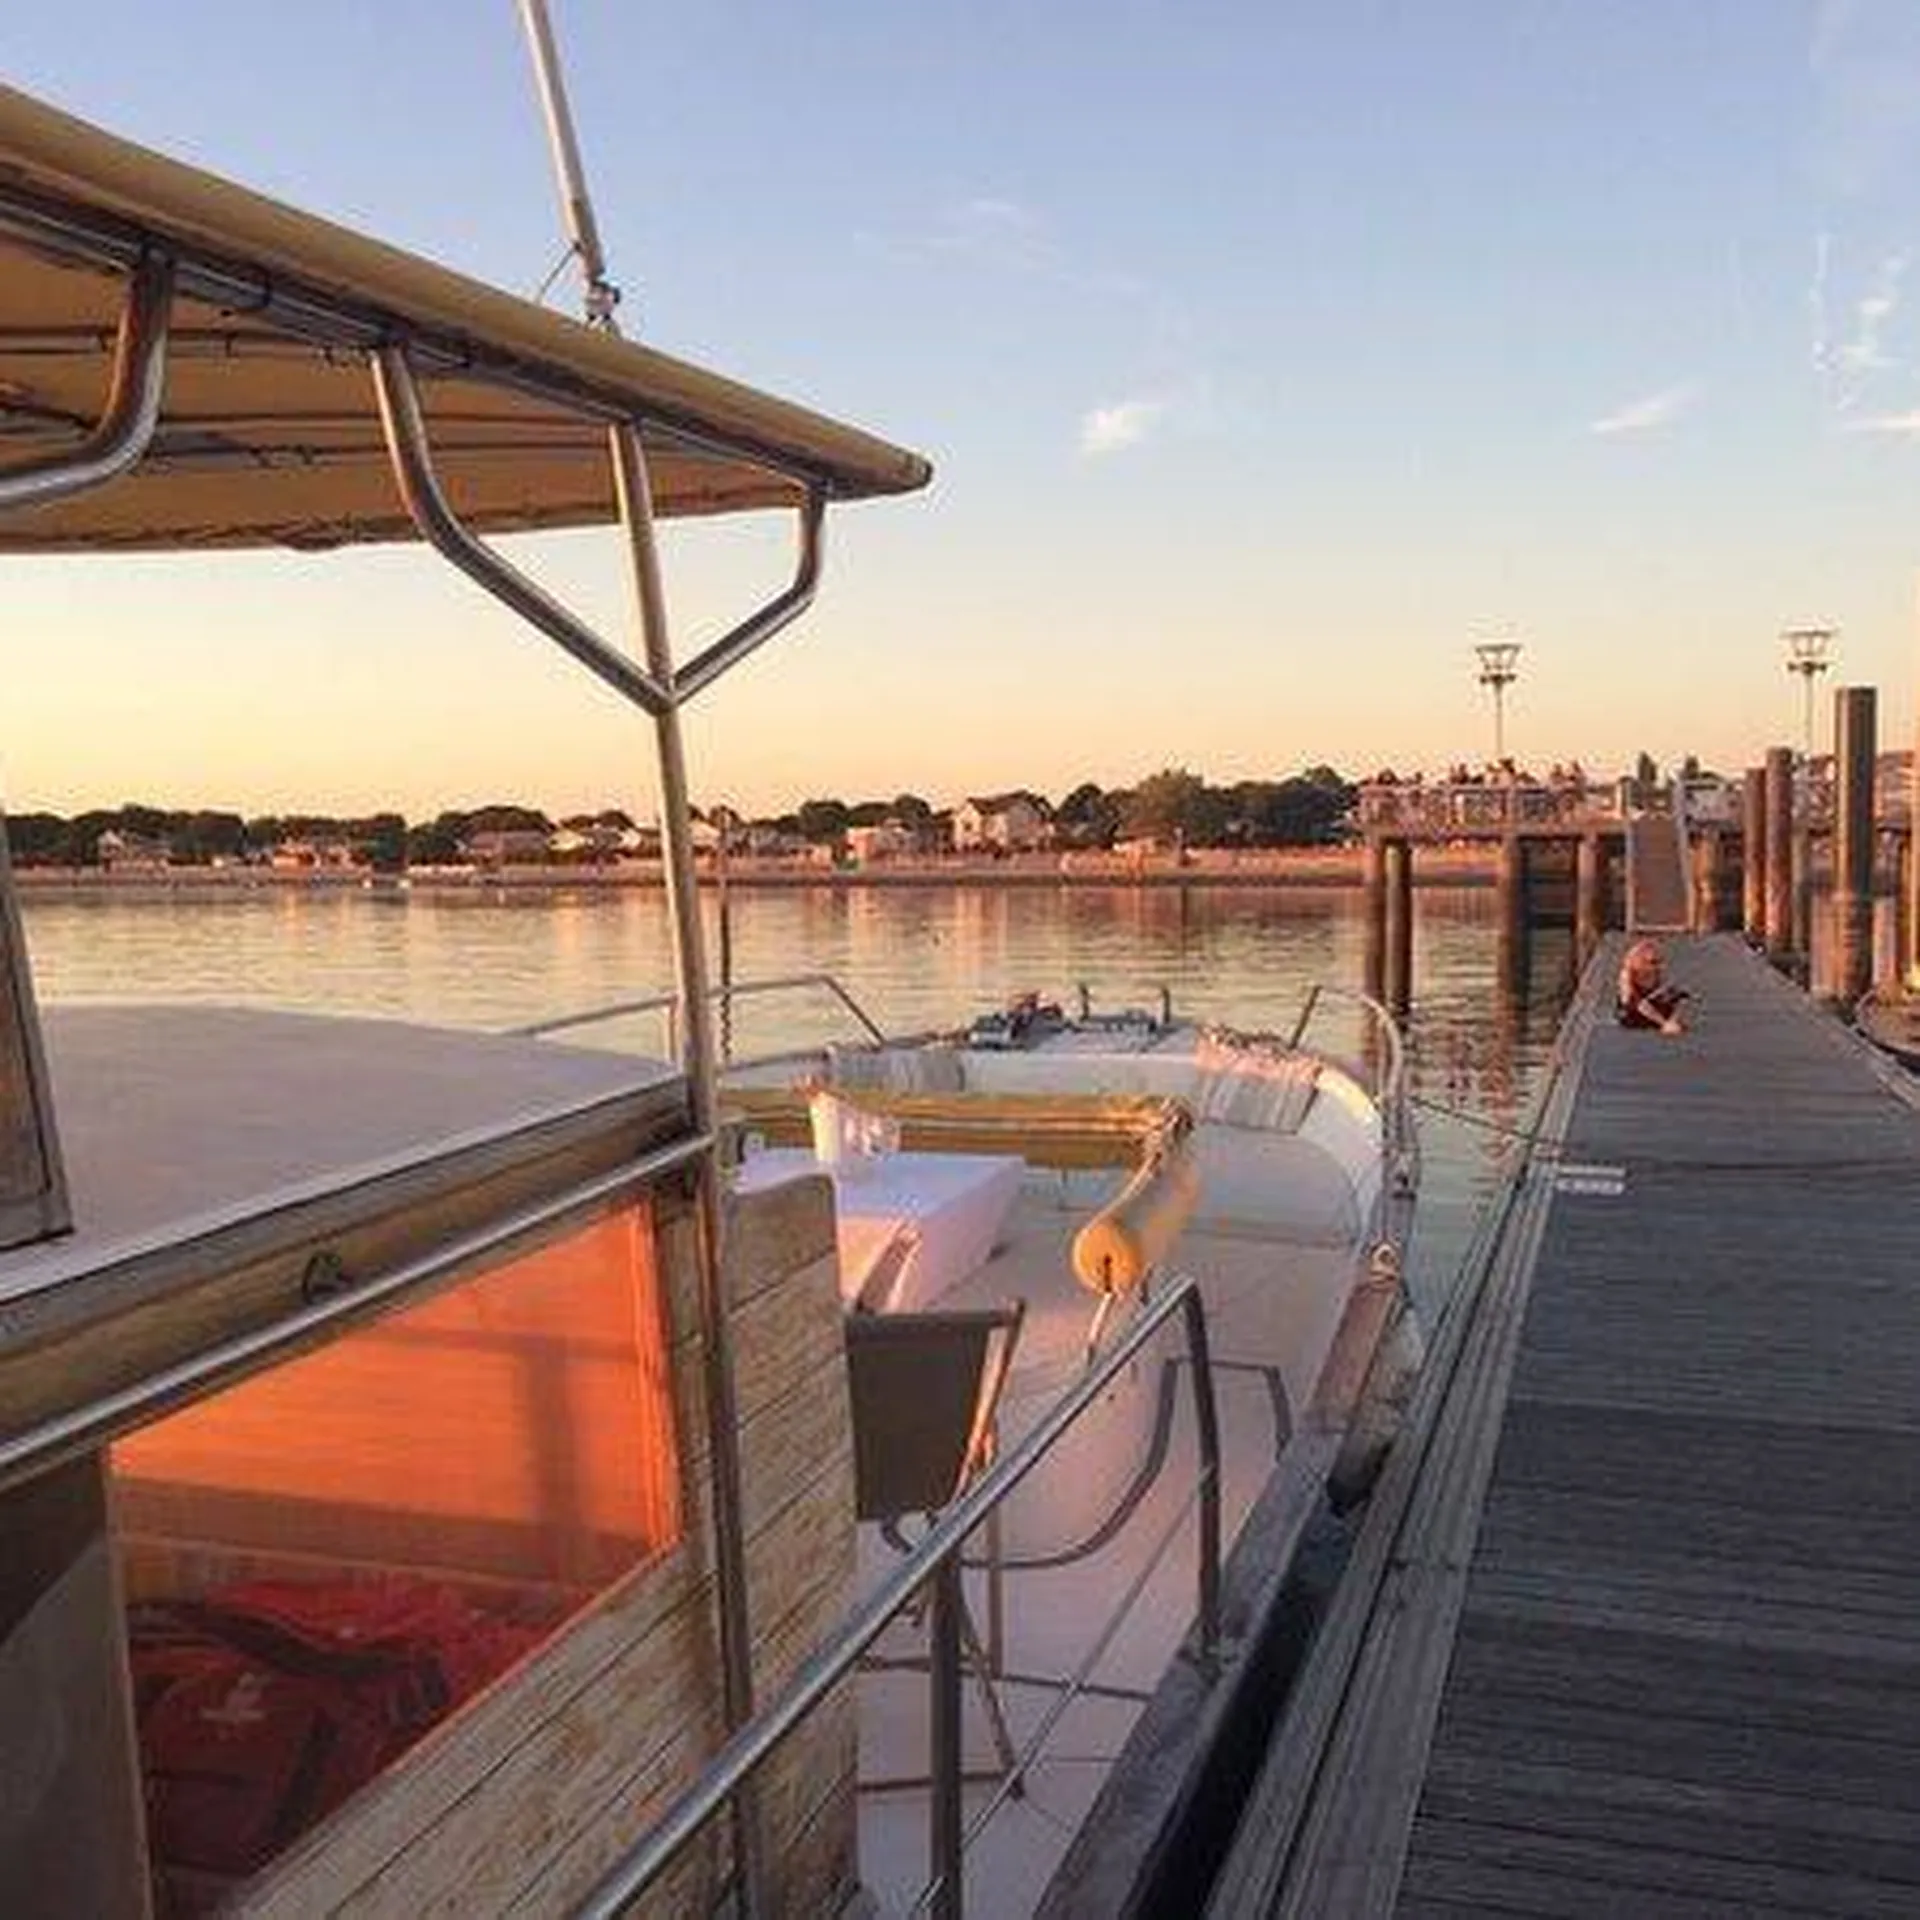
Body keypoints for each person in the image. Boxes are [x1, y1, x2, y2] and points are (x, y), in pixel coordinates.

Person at [1616, 938, 1689, 1034]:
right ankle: (1665, 1023)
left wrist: (1672, 1019)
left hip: (1649, 1004)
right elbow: (1636, 1003)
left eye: (1659, 961)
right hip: (1633, 1012)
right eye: (1653, 962)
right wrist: (1663, 1023)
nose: (1658, 966)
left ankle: (1671, 1022)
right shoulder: (1627, 976)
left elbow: (1663, 992)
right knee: (1636, 1008)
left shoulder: (1655, 973)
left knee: (1679, 995)